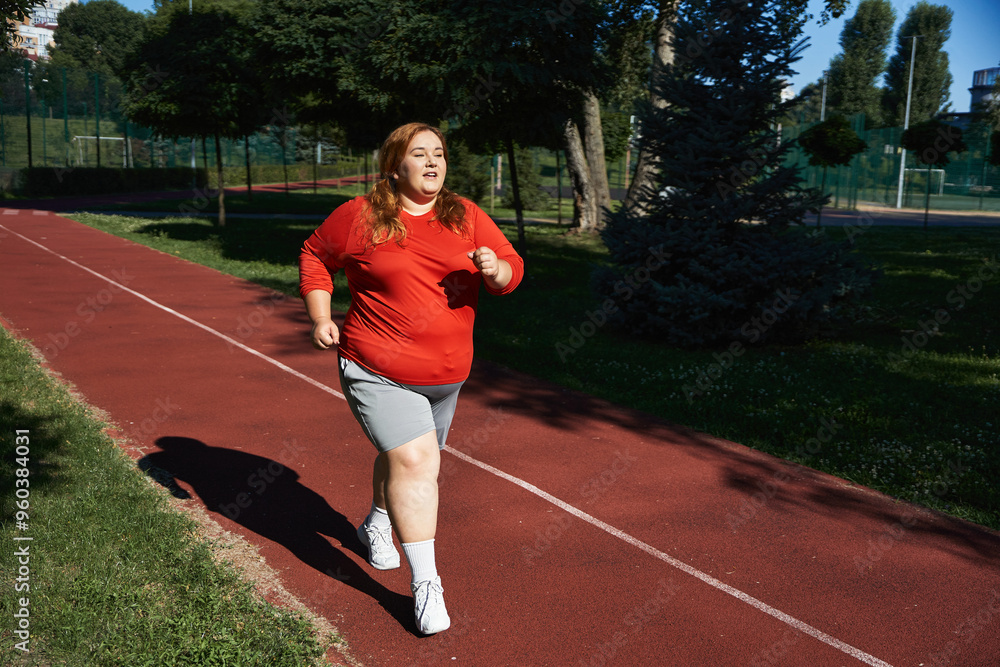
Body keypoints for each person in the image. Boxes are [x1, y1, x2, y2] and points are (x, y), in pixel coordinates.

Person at [298, 122, 524, 634]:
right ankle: (426, 586)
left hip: (448, 374)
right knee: (417, 460)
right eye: (419, 153)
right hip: (376, 367)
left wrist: (496, 271)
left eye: (438, 153)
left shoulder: (466, 216)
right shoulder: (359, 217)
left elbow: (511, 269)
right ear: (394, 165)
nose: (432, 162)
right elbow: (314, 254)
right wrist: (320, 316)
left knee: (403, 459)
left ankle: (377, 523)